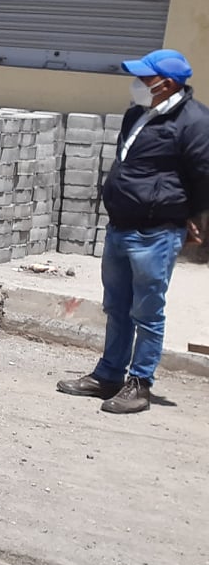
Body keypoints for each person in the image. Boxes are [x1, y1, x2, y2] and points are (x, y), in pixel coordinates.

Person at [57, 49, 209, 414]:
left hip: (156, 233)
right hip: (120, 227)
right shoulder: (136, 113)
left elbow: (203, 176)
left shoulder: (194, 121)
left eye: (144, 78)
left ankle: (140, 384)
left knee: (147, 311)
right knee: (117, 307)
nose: (137, 83)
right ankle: (108, 375)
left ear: (166, 84)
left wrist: (190, 217)